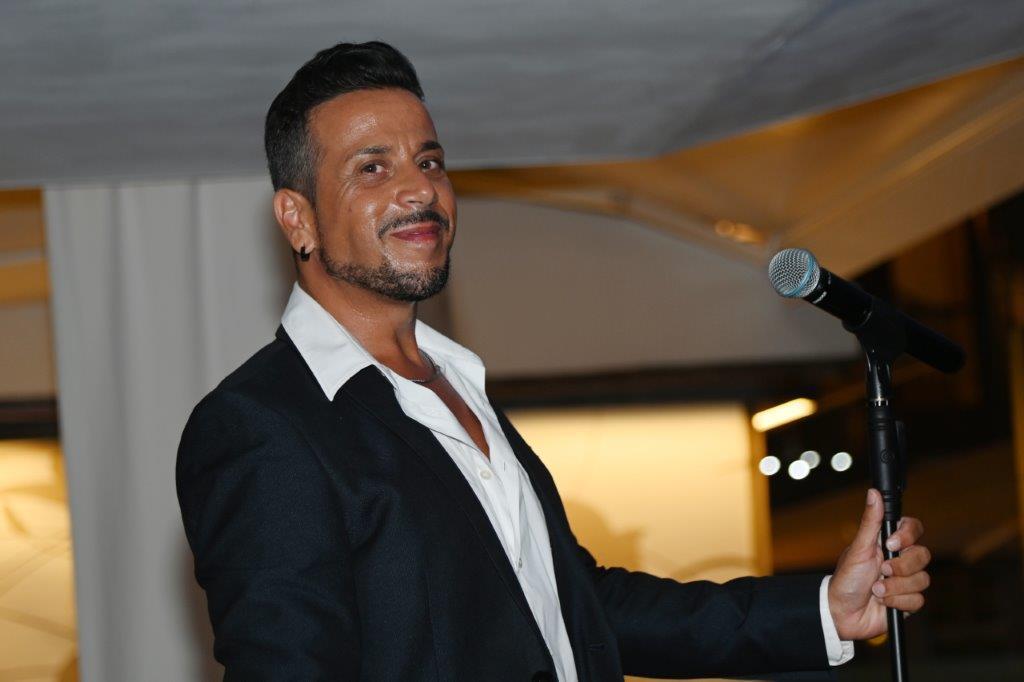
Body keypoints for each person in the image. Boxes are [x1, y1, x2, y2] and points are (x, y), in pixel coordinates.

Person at [176, 41, 932, 681]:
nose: (419, 189)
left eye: (430, 160)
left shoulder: (456, 383)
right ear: (298, 219)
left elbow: (580, 608)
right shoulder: (262, 425)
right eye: (372, 168)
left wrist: (824, 611)